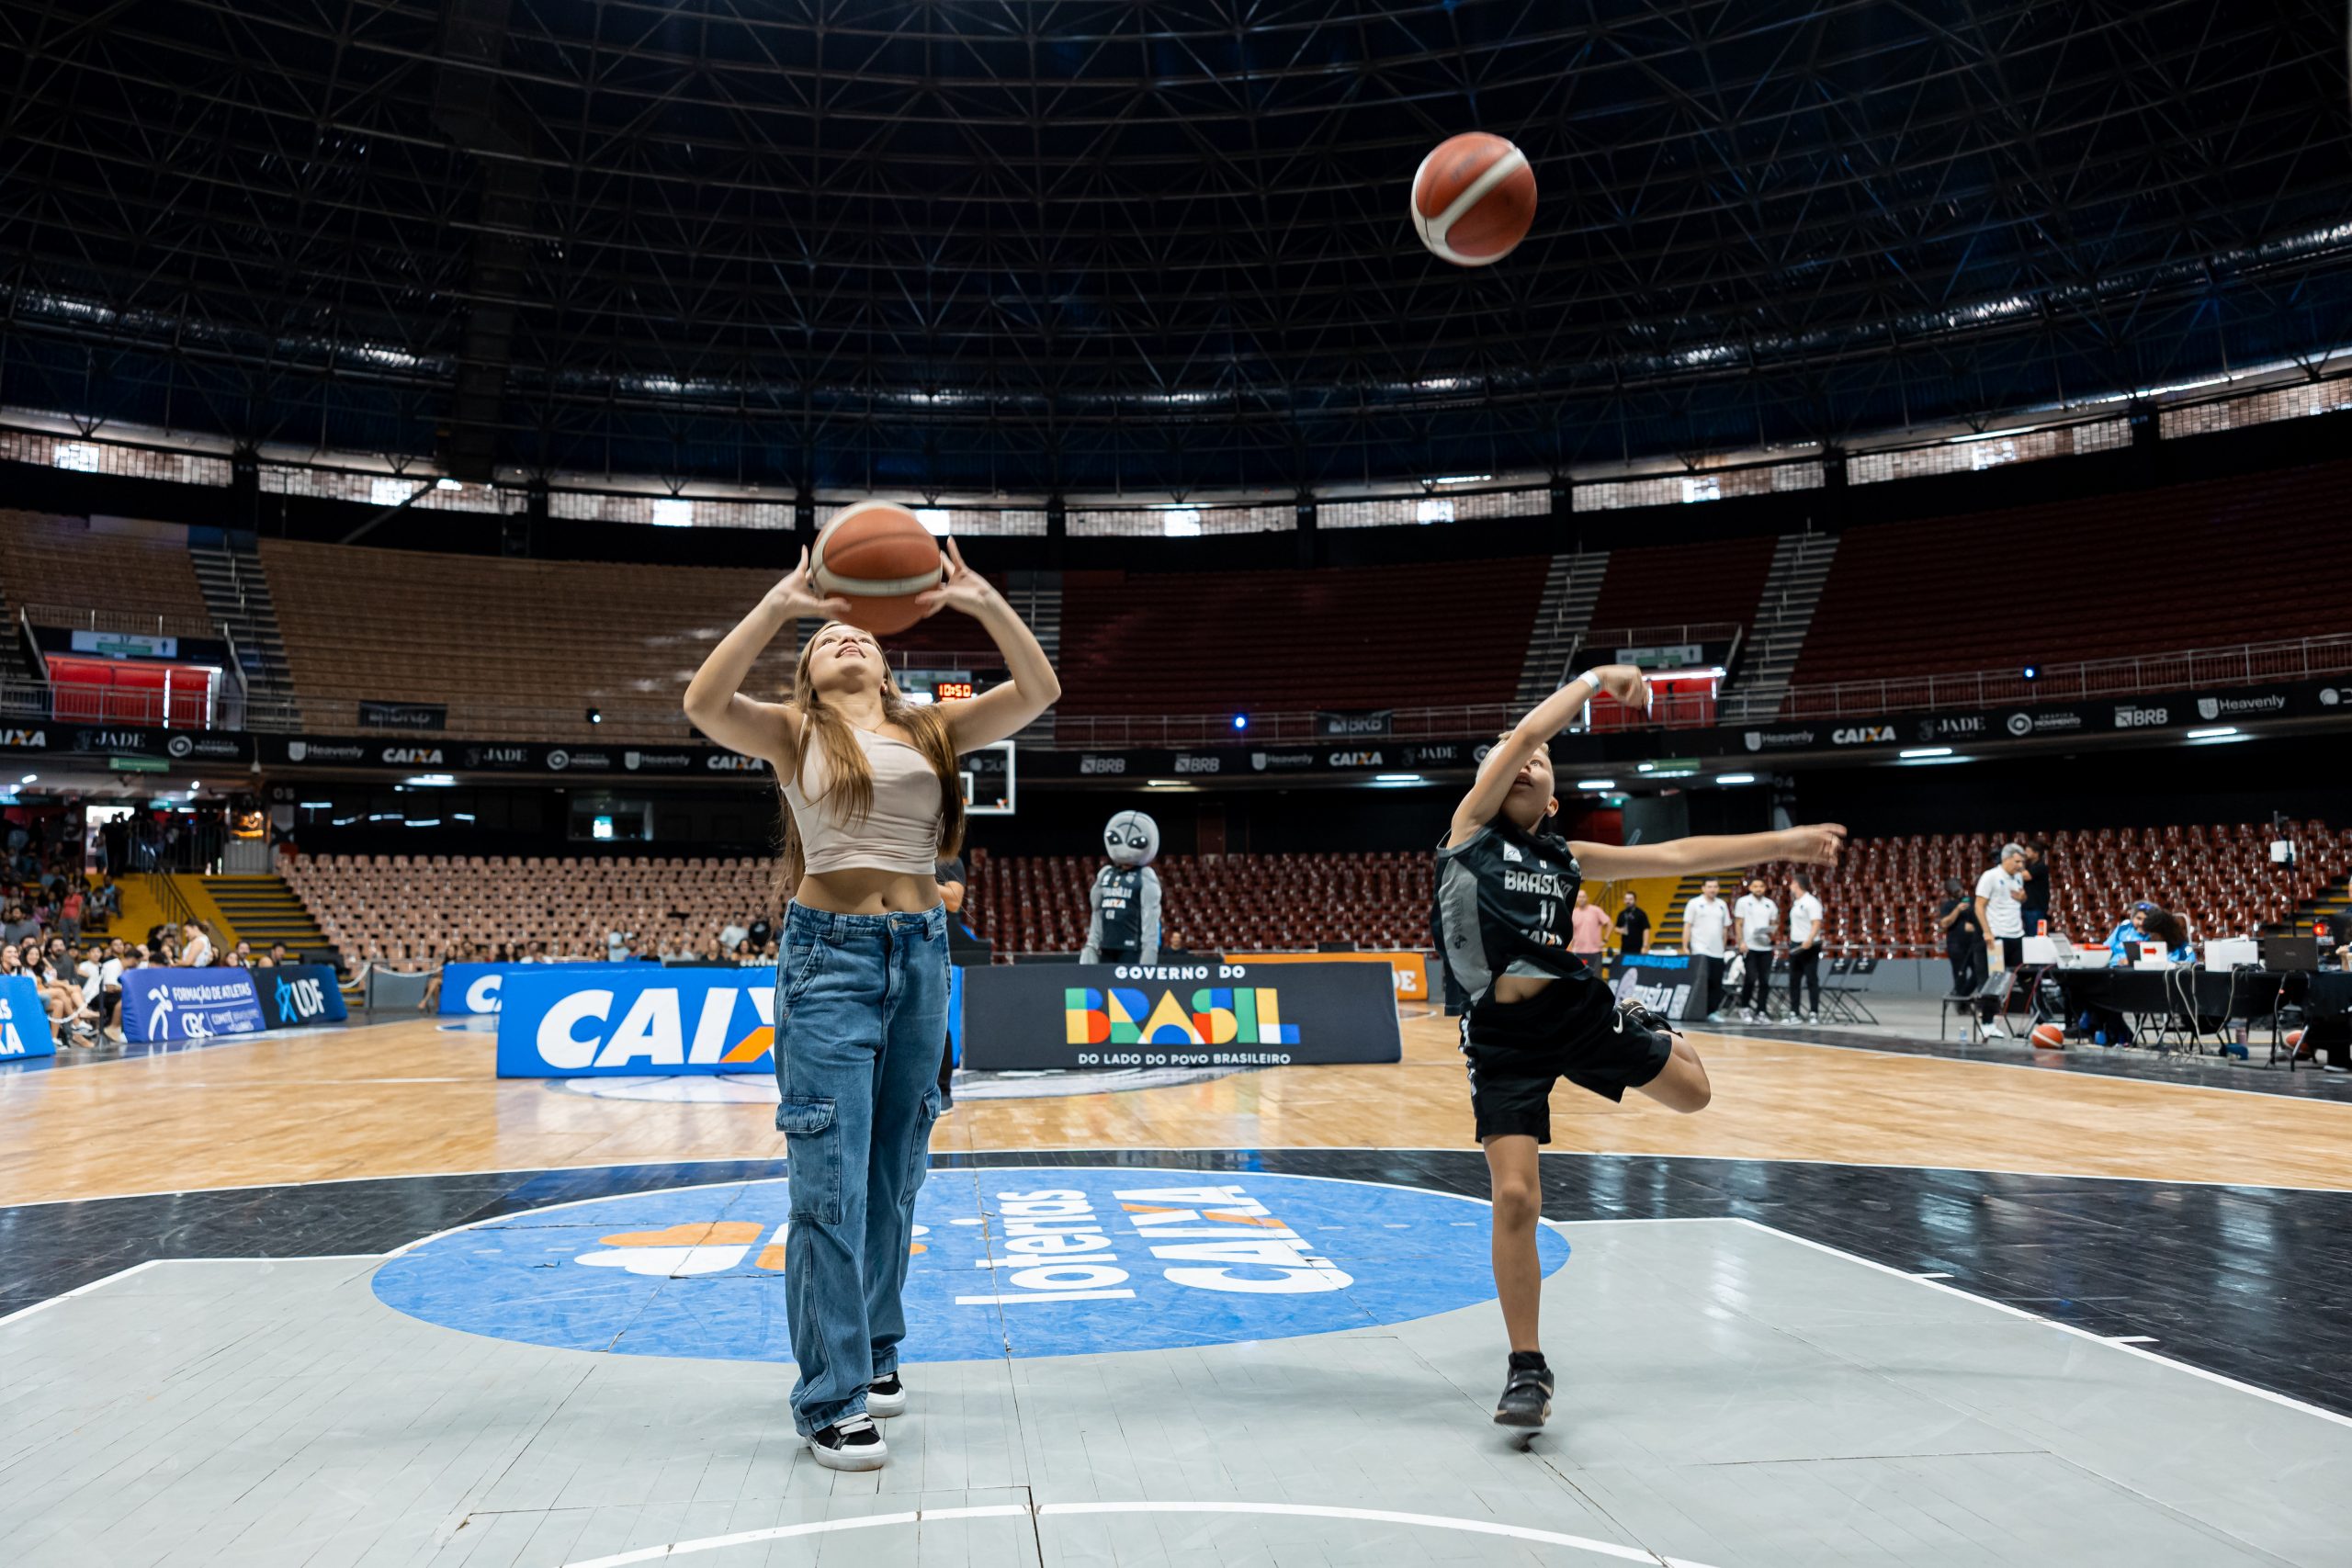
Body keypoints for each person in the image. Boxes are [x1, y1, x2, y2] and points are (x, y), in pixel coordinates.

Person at [684, 535, 1058, 1472]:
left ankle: (877, 1349)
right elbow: (703, 703)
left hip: (923, 957)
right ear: (808, 672)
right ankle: (830, 1397)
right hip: (829, 962)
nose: (845, 638)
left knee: (896, 1175)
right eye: (826, 639)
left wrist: (980, 598)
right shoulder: (792, 731)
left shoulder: (932, 727)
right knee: (830, 1184)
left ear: (888, 661)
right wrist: (782, 606)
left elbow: (1039, 689)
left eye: (859, 635)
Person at [1433, 662, 1845, 1432]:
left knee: (1695, 1095)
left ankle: (1653, 1026)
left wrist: (1785, 840)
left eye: (1539, 760)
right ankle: (1528, 1366)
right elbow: (1531, 728)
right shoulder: (1470, 831)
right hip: (1500, 1034)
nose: (1524, 758)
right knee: (1516, 1195)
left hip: (1574, 1008)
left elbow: (1678, 857)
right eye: (1511, 754)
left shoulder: (1567, 858)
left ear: (1554, 800)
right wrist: (1597, 679)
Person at [933, 852, 968, 1109]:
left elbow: (955, 901)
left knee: (936, 1019)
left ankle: (943, 1090)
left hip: (930, 945)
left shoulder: (947, 860)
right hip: (886, 943)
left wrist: (915, 878)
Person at [1683, 877, 1731, 1021]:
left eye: (1715, 886)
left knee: (1716, 983)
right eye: (1709, 886)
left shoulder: (1722, 904)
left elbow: (1725, 928)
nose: (1712, 889)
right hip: (1700, 949)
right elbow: (1687, 926)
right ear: (1703, 888)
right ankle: (1698, 1011)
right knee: (1702, 982)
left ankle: (1712, 1012)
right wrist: (1685, 946)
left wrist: (1723, 947)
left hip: (1718, 951)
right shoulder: (1694, 903)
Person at [1732, 875, 1778, 1020]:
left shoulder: (1770, 904)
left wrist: (1771, 932)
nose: (1759, 889)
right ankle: (1744, 1007)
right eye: (1756, 886)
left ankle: (1761, 1011)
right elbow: (1738, 923)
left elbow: (1774, 924)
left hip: (1765, 947)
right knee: (1750, 978)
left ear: (1765, 888)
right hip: (1749, 947)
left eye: (1761, 886)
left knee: (1765, 981)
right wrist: (1741, 942)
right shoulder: (1743, 902)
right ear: (1750, 888)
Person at [1936, 877, 1985, 998]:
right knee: (1960, 974)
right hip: (1956, 946)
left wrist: (1974, 927)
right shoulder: (1947, 905)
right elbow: (1944, 923)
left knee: (1979, 972)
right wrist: (1957, 910)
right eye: (1956, 891)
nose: (1959, 892)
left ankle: (1963, 994)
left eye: (1959, 889)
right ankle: (1961, 1000)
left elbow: (1980, 916)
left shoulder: (1971, 901)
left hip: (1973, 944)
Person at [1785, 873, 1824, 1022]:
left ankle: (1814, 1012)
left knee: (1811, 979)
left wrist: (1809, 939)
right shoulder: (1796, 902)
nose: (1790, 886)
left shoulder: (1811, 902)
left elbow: (1816, 923)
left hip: (1809, 945)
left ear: (1796, 884)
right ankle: (1794, 1012)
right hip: (1796, 944)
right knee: (1794, 980)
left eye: (1791, 884)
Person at [1567, 888, 1609, 967]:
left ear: (1587, 898)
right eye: (1579, 897)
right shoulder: (1573, 913)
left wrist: (1605, 940)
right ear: (1576, 899)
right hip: (1578, 951)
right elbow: (1571, 933)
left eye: (1583, 897)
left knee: (1596, 974)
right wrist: (1570, 948)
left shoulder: (1596, 910)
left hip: (1595, 951)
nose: (1581, 899)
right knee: (1579, 974)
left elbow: (1609, 924)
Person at [2019, 840, 2052, 941]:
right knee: (2028, 936)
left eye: (2028, 851)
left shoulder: (2041, 867)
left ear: (2036, 853)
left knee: (2035, 937)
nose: (2025, 853)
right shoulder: (2029, 866)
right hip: (2027, 906)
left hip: (2036, 907)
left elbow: (2025, 876)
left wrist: (2018, 863)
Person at [1613, 892, 1651, 957]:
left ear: (1635, 900)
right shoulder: (1621, 914)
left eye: (1630, 899)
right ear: (1624, 901)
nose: (1628, 901)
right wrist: (1620, 930)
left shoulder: (1641, 913)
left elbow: (1646, 929)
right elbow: (1616, 928)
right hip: (1625, 948)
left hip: (1638, 948)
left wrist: (1645, 946)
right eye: (1626, 899)